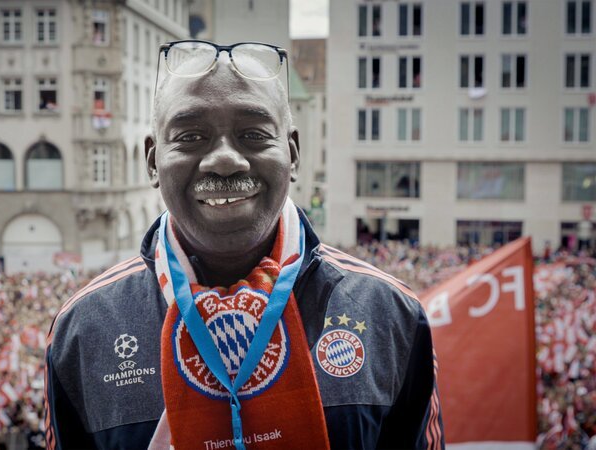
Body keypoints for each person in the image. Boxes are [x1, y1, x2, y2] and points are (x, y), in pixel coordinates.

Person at [45, 40, 444, 449]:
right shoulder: (84, 328)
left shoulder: (390, 313)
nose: (224, 159)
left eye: (253, 134)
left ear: (292, 154)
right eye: (191, 136)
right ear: (152, 160)